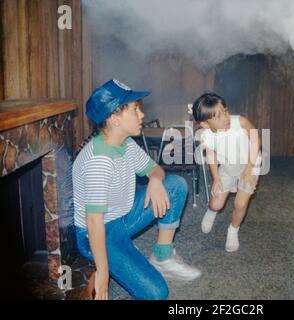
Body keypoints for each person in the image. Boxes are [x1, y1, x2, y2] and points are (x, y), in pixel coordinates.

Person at [73, 79, 201, 300]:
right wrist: (103, 275)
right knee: (156, 293)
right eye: (135, 109)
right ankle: (102, 265)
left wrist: (154, 180)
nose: (142, 115)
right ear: (114, 118)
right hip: (99, 233)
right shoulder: (99, 161)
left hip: (123, 217)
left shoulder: (125, 144)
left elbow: (156, 170)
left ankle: (162, 256)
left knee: (175, 185)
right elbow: (94, 222)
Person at [192, 92, 261, 252]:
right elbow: (212, 156)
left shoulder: (240, 122)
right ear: (206, 125)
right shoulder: (206, 136)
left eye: (225, 111)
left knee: (240, 203)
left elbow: (256, 138)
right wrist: (216, 178)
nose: (225, 117)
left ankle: (233, 230)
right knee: (216, 203)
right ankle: (211, 211)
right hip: (228, 168)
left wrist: (250, 168)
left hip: (250, 164)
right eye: (218, 116)